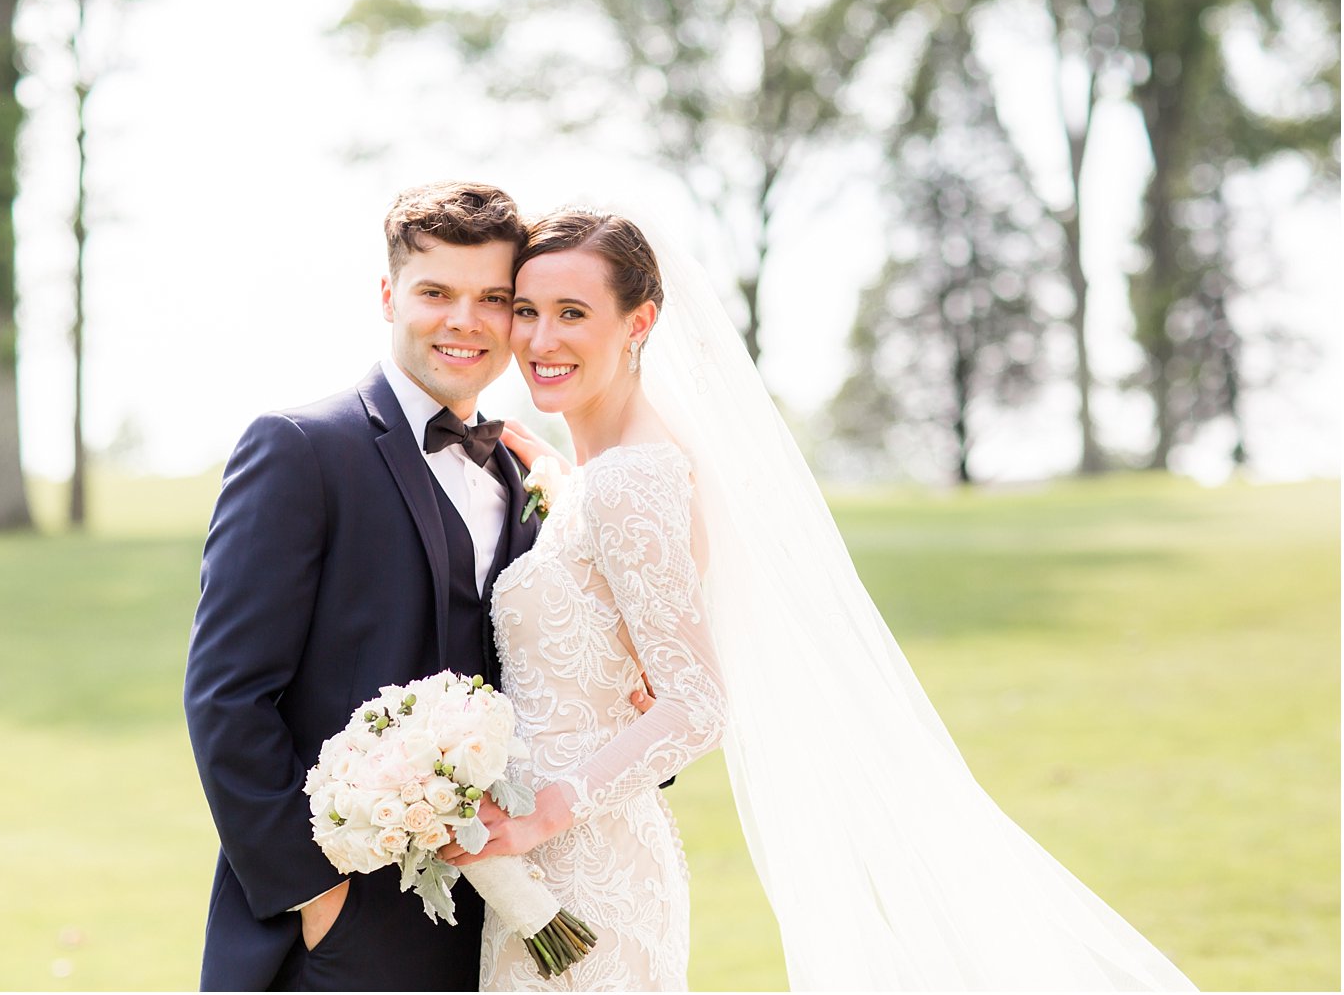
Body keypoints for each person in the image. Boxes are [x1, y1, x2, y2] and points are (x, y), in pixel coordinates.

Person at [444, 209, 1197, 991]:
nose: (538, 339)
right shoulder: (608, 475)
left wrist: (547, 812)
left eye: (573, 313)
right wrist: (560, 483)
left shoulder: (634, 479)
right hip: (549, 864)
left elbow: (697, 704)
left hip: (587, 866)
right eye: (526, 311)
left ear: (640, 322)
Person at [183, 181, 542, 991]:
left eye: (494, 297)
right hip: (337, 933)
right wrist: (317, 896)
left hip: (496, 926)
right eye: (436, 293)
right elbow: (227, 697)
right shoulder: (301, 449)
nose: (466, 321)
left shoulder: (524, 474)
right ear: (389, 296)